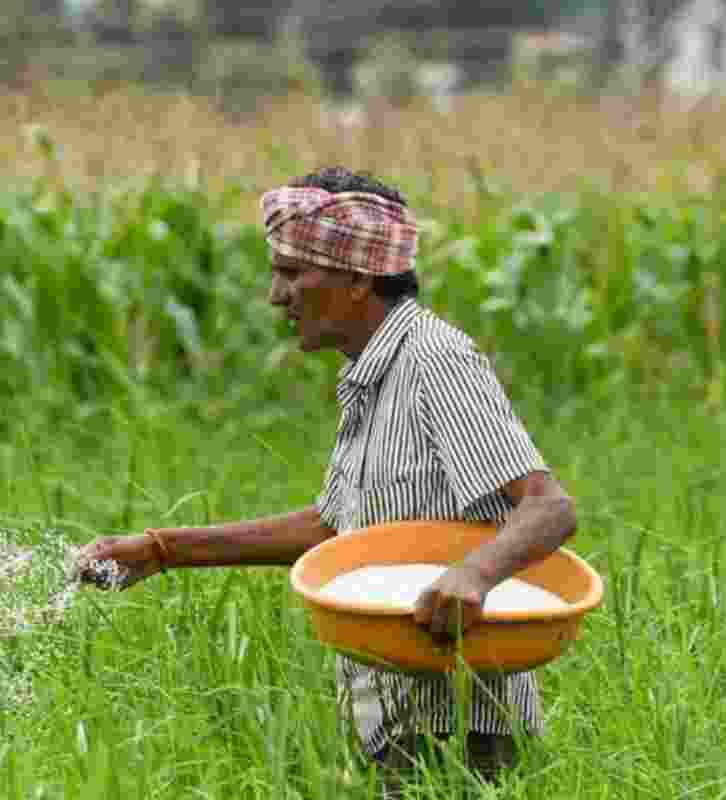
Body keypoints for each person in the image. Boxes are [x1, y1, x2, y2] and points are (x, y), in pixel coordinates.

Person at [76, 167, 578, 797]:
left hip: (461, 721)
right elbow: (333, 529)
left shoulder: (434, 360)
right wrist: (161, 550)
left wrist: (474, 574)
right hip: (398, 715)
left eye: (291, 273)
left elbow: (547, 508)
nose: (275, 296)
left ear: (359, 278)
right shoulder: (371, 373)